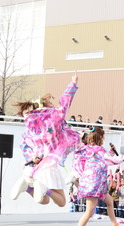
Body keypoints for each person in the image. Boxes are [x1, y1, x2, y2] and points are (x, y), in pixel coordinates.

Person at [11, 74, 81, 207]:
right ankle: (42, 188)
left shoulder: (30, 121)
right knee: (61, 201)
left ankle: (28, 187)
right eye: (51, 102)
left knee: (44, 200)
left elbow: (26, 144)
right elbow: (66, 102)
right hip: (49, 163)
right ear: (47, 104)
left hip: (34, 164)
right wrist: (73, 84)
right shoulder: (54, 116)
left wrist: (29, 160)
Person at [70, 127, 124, 226]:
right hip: (94, 184)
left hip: (95, 184)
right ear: (100, 137)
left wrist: (109, 152)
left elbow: (104, 160)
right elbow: (114, 160)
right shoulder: (99, 150)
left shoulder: (87, 149)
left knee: (109, 202)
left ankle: (115, 225)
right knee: (89, 212)